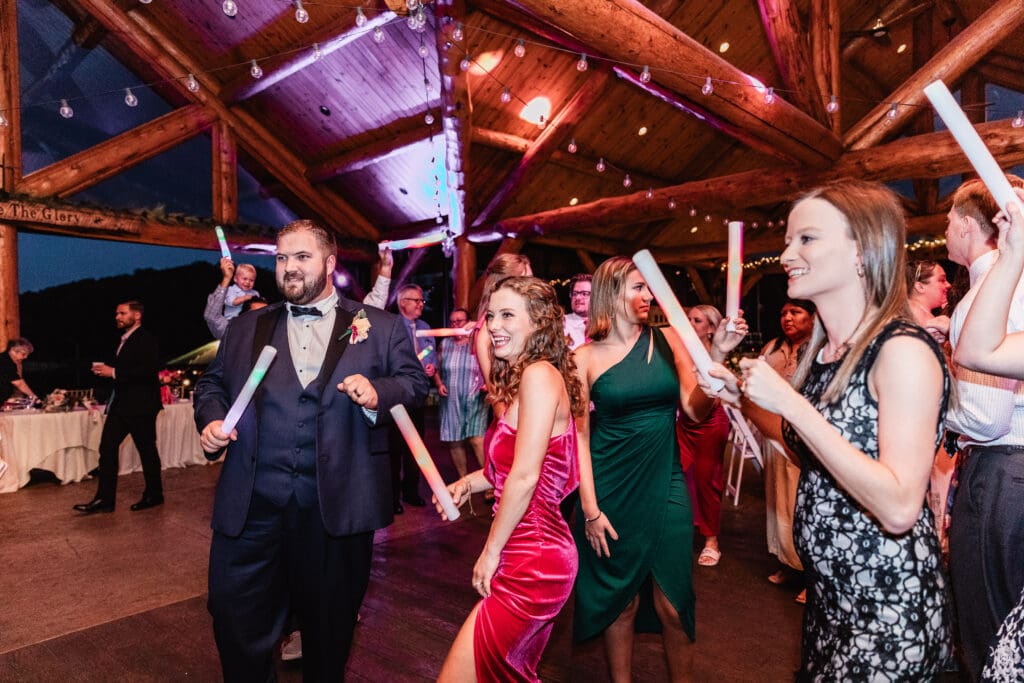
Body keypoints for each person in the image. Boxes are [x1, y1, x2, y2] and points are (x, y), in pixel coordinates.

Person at [705, 179, 950, 679]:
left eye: (806, 239)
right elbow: (810, 451)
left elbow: (901, 505)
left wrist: (794, 404)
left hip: (887, 606)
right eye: (789, 240)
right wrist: (742, 398)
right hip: (829, 601)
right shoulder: (824, 354)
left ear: (861, 250)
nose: (787, 253)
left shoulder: (901, 351)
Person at [193, 219, 428, 681]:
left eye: (302, 257)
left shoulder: (378, 326)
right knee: (234, 618)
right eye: (282, 258)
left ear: (330, 263)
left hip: (335, 512)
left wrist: (379, 391)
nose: (289, 268)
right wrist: (212, 421)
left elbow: (414, 383)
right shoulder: (246, 328)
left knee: (328, 634)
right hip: (251, 511)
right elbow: (212, 385)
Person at [573, 256, 734, 681]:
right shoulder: (583, 358)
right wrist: (590, 509)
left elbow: (695, 411)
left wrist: (716, 357)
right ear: (611, 294)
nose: (649, 296)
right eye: (638, 288)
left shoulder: (668, 341)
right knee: (620, 603)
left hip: (666, 483)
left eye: (650, 288)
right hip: (610, 489)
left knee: (674, 605)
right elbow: (579, 438)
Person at [436, 276, 585, 682]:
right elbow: (505, 471)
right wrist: (468, 482)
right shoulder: (529, 378)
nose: (493, 325)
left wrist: (490, 551)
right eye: (491, 315)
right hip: (530, 549)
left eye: (507, 315)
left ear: (538, 323)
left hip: (534, 555)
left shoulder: (538, 375)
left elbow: (524, 476)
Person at [941, 176, 1024, 680]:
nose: (946, 228)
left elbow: (986, 416)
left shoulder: (983, 299)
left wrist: (927, 406)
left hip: (1001, 475)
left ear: (970, 226)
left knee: (991, 635)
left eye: (949, 219)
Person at [74, 301, 164, 514]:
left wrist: (113, 372)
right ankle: (105, 500)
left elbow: (147, 371)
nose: (118, 317)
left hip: (141, 406)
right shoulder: (123, 340)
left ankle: (154, 494)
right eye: (116, 313)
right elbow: (126, 370)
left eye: (122, 313)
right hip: (121, 405)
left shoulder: (146, 339)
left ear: (137, 315)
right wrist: (106, 373)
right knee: (107, 448)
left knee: (147, 451)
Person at [759, 299, 815, 602]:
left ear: (812, 316)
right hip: (773, 433)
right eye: (783, 313)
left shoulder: (819, 348)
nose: (787, 318)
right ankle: (788, 563)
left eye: (795, 312)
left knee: (799, 501)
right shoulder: (773, 348)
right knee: (778, 501)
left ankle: (811, 574)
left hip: (802, 434)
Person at [677, 304, 735, 569]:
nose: (689, 323)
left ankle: (711, 541)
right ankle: (679, 528)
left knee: (706, 480)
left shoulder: (715, 356)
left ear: (711, 328)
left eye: (697, 320)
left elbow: (714, 396)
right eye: (688, 318)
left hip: (710, 423)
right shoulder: (679, 350)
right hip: (683, 423)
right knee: (675, 474)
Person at [389, 283, 442, 513]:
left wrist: (432, 367)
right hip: (397, 396)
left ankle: (411, 491)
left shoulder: (425, 327)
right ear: (403, 303)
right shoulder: (391, 326)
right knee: (394, 450)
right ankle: (392, 498)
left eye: (422, 301)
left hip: (418, 397)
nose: (421, 304)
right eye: (416, 300)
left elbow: (431, 354)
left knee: (416, 447)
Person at [473, 253, 532, 405]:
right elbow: (497, 398)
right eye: (524, 280)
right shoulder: (488, 332)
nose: (532, 285)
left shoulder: (522, 319)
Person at [436, 307, 487, 479]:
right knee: (455, 440)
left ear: (468, 322)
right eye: (453, 321)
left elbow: (490, 368)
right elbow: (434, 366)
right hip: (451, 399)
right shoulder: (445, 344)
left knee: (477, 439)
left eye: (460, 321)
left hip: (475, 398)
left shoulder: (478, 341)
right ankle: (463, 479)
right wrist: (438, 382)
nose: (455, 324)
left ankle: (489, 481)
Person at [907, 259, 953, 344]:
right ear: (920, 287)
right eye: (942, 280)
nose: (948, 285)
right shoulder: (916, 312)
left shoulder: (918, 311)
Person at [0, 338, 39, 405]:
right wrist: (34, 397)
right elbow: (19, 383)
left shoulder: (8, 361)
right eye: (24, 354)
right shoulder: (4, 361)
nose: (26, 357)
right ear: (13, 350)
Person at [563, 273, 592, 349]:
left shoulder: (608, 325)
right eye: (574, 294)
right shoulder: (560, 324)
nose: (578, 297)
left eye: (584, 294)